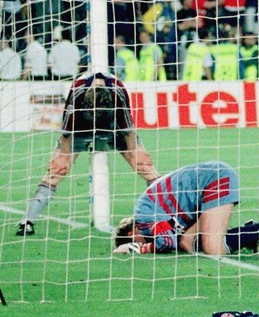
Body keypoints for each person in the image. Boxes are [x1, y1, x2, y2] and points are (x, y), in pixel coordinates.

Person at [16, 72, 159, 236]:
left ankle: (166, 216)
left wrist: (136, 154)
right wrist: (62, 157)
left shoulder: (117, 90)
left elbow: (128, 130)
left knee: (145, 166)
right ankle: (27, 221)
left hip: (112, 127)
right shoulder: (77, 90)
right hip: (81, 128)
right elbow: (66, 132)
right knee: (56, 170)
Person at [113, 161, 259, 255]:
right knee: (189, 243)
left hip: (214, 180)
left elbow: (166, 242)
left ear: (131, 233)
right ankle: (247, 234)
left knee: (212, 249)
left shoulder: (145, 220)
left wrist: (137, 248)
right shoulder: (150, 213)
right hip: (204, 189)